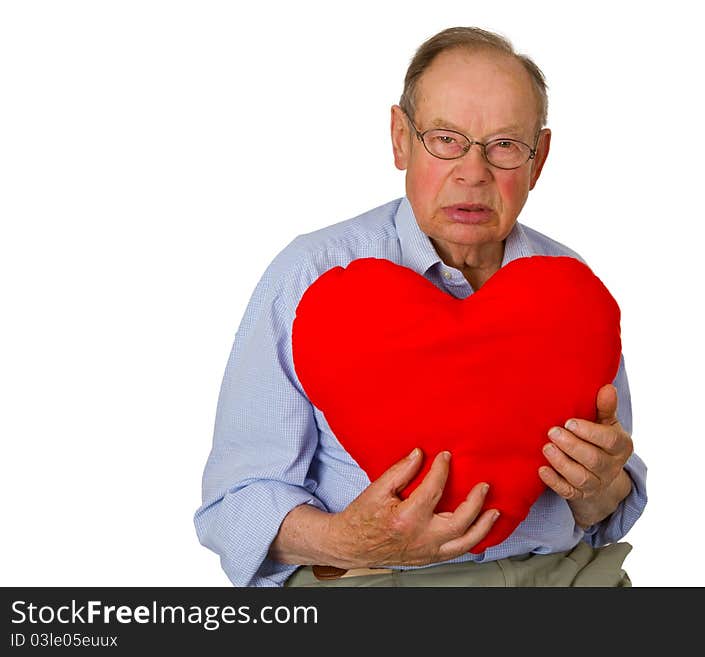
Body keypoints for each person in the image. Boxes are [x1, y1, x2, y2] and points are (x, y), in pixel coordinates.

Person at [194, 26, 648, 587]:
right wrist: (344, 538)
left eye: (505, 145)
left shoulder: (570, 295)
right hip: (376, 581)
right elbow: (233, 505)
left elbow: (605, 508)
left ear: (540, 158)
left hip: (563, 578)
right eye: (446, 138)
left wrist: (601, 486)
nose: (473, 172)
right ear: (400, 139)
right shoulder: (310, 277)